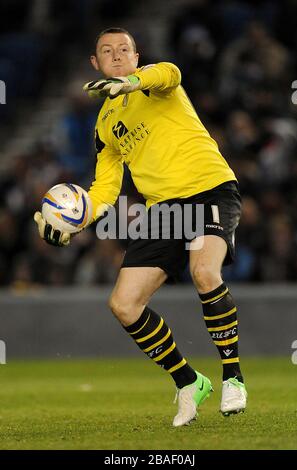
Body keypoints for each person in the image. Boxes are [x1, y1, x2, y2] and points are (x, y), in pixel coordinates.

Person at [34, 27, 247, 427]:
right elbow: (104, 190)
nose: (116, 56)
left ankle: (233, 376)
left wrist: (130, 82)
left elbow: (170, 73)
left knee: (205, 272)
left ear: (136, 56)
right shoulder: (104, 125)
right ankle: (188, 381)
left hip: (210, 189)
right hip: (165, 211)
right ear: (94, 65)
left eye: (124, 50)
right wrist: (73, 221)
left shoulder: (154, 82)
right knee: (124, 305)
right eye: (106, 52)